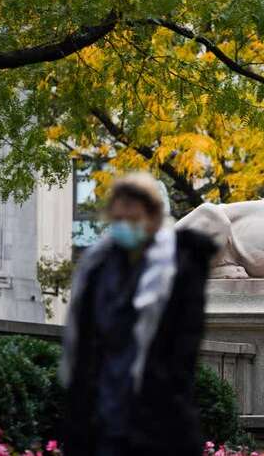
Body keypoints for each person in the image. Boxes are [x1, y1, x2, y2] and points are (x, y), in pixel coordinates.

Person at [59, 172, 217, 456]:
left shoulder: (181, 267)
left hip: (156, 417)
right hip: (102, 411)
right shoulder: (96, 267)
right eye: (118, 218)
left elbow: (183, 349)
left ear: (153, 217)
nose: (125, 226)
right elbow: (84, 340)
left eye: (133, 219)